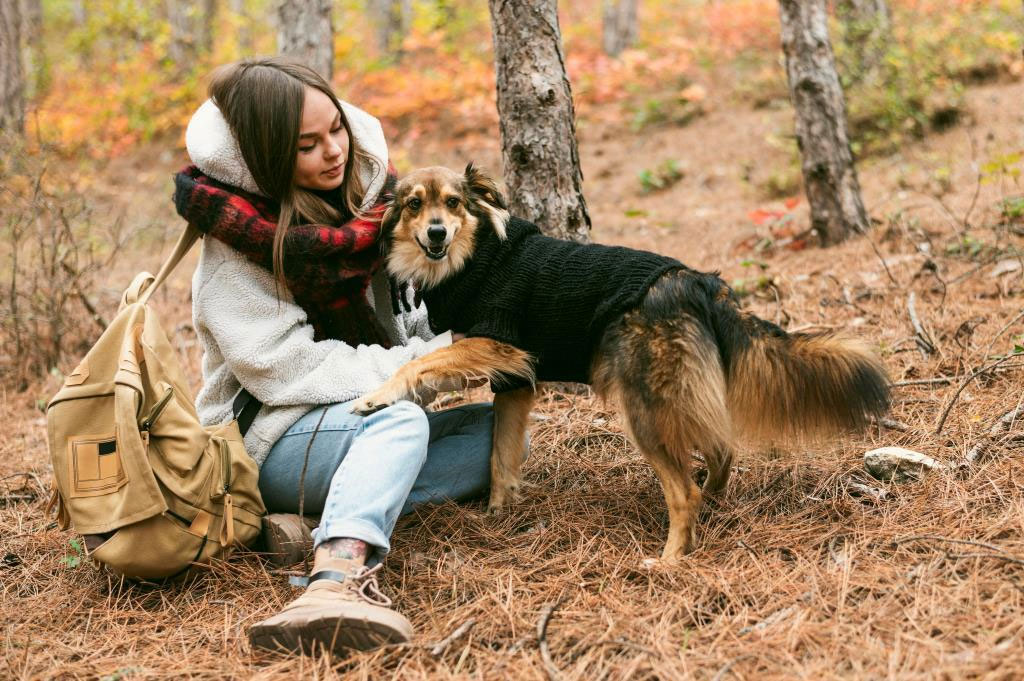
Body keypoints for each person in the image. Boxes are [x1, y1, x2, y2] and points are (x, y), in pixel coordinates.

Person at [172, 56, 502, 656]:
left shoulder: (374, 207)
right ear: (269, 156)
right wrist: (429, 365)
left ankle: (320, 513)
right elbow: (285, 369)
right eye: (307, 145)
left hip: (354, 422)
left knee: (499, 436)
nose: (333, 152)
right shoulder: (235, 247)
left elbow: (407, 321)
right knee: (398, 420)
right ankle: (335, 578)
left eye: (337, 130)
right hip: (268, 436)